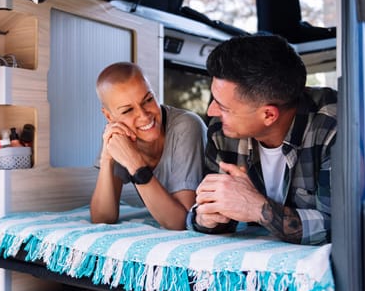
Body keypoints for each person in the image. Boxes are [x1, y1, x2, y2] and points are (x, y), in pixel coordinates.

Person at [187, 34, 337, 245]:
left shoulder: (335, 127)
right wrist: (206, 218)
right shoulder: (222, 131)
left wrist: (257, 208)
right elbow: (212, 213)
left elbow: (342, 228)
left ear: (269, 115)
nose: (211, 112)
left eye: (223, 107)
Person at [90, 62, 206, 230]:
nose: (144, 116)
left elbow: (181, 222)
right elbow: (103, 218)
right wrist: (107, 158)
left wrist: (135, 165)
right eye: (127, 111)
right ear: (109, 116)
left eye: (148, 100)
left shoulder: (186, 125)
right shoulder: (117, 134)